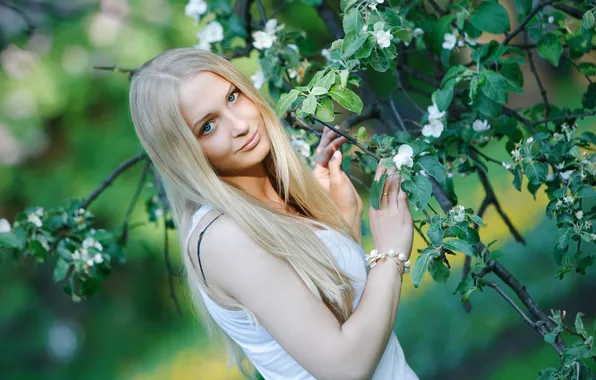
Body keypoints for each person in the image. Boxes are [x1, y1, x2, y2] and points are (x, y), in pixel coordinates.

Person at [128, 47, 418, 380]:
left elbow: (342, 319)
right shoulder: (224, 239)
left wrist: (340, 222)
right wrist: (390, 254)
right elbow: (344, 368)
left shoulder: (267, 203)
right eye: (207, 127)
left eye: (233, 97)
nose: (239, 125)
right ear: (181, 154)